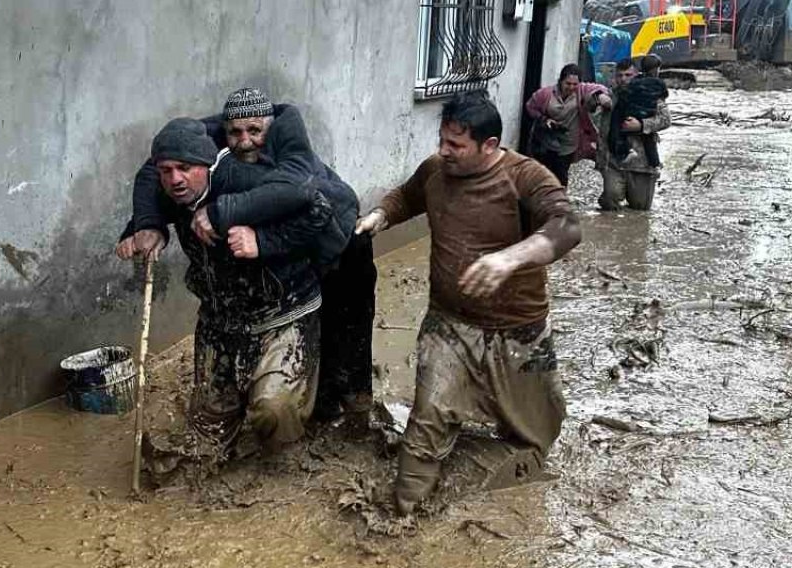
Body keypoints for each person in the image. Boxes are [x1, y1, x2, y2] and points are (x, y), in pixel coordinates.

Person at [354, 92, 580, 515]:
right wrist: (381, 216)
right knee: (426, 423)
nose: (444, 151)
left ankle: (518, 507)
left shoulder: (525, 177)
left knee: (536, 431)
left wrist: (510, 258)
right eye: (442, 140)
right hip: (448, 325)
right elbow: (407, 196)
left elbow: (567, 226)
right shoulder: (436, 171)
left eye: (456, 145)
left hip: (518, 330)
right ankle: (407, 518)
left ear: (489, 146)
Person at [118, 88, 376, 422]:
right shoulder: (196, 156)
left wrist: (254, 234)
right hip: (237, 305)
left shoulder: (267, 169)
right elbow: (154, 172)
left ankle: (350, 409)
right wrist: (144, 226)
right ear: (221, 137)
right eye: (235, 133)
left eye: (255, 132)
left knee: (341, 341)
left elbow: (312, 203)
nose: (244, 142)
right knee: (214, 413)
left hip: (341, 243)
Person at [119, 117, 331, 459]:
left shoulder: (247, 181)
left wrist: (262, 240)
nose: (175, 179)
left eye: (185, 168)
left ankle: (285, 460)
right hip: (221, 323)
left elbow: (320, 209)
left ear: (207, 164)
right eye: (166, 170)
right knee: (206, 439)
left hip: (282, 314)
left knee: (273, 412)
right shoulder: (170, 191)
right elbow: (148, 206)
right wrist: (146, 228)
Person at [597, 56, 671, 211]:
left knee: (640, 208)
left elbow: (665, 119)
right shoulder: (610, 95)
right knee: (611, 200)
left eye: (628, 75)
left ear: (636, 74)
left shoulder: (648, 93)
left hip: (641, 162)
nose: (623, 79)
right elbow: (588, 101)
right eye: (620, 75)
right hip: (614, 160)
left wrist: (641, 125)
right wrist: (597, 97)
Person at [523, 64, 612, 188]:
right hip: (548, 140)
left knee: (561, 174)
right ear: (561, 81)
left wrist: (601, 96)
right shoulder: (545, 94)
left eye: (575, 84)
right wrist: (545, 119)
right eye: (568, 83)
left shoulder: (581, 91)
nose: (571, 87)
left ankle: (559, 197)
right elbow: (531, 107)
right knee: (543, 172)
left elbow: (598, 89)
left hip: (569, 143)